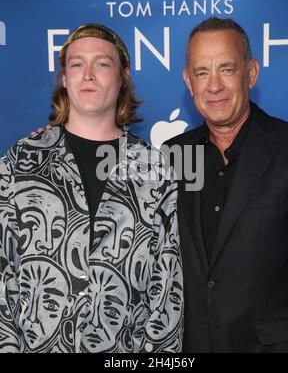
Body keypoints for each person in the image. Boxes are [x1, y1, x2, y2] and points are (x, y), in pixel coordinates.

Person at [0, 23, 183, 353]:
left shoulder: (155, 169)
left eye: (102, 63)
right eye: (76, 64)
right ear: (65, 79)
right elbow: (3, 271)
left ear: (123, 76)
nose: (88, 74)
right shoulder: (21, 161)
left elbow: (167, 288)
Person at [164, 17, 288, 352]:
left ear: (251, 72)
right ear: (188, 80)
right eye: (201, 72)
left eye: (226, 69)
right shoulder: (172, 155)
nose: (214, 86)